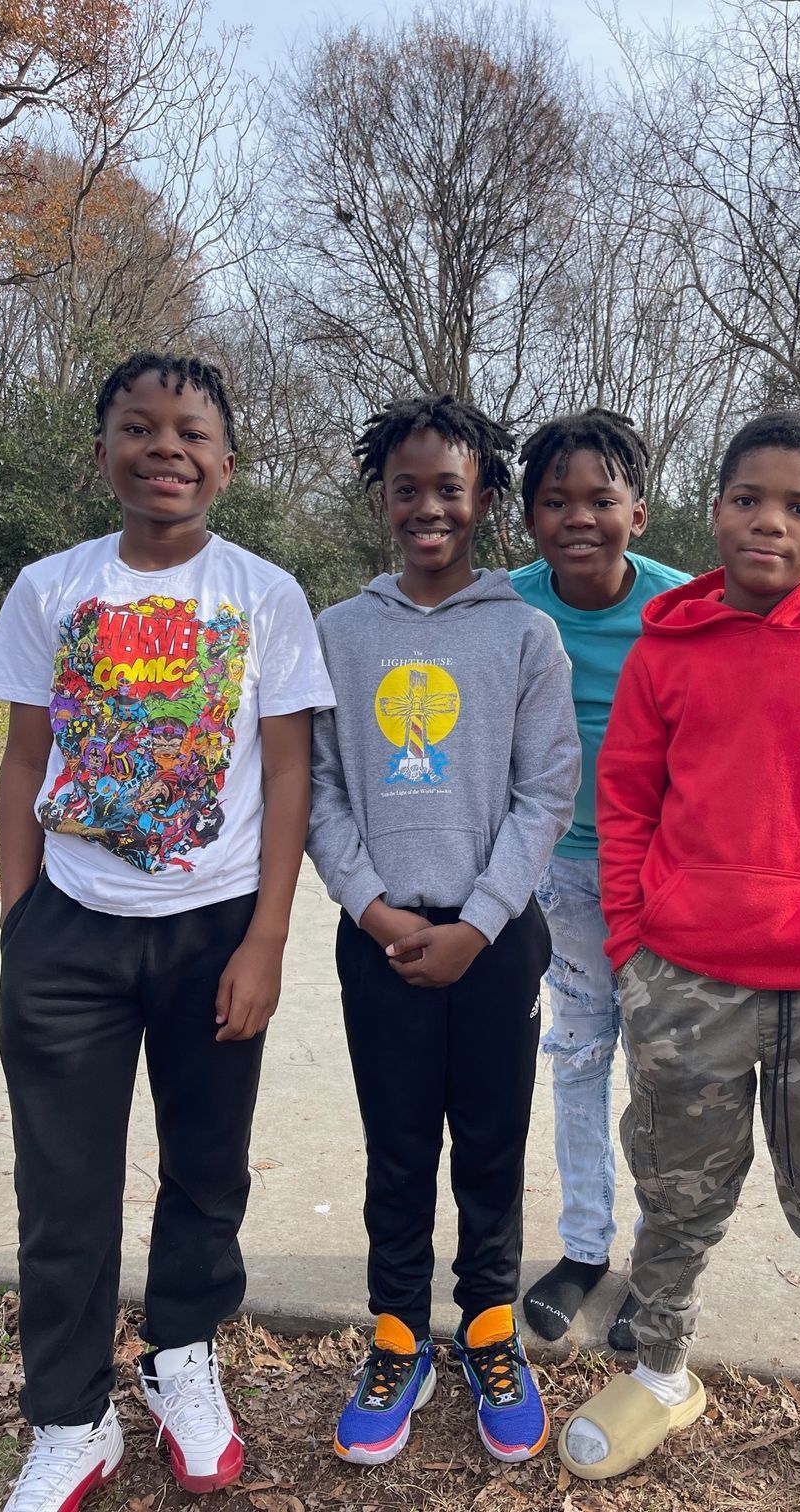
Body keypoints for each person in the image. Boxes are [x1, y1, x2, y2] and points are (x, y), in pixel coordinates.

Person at [559, 412, 800, 1512]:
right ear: (715, 510)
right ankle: (660, 1374)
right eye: (747, 500)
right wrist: (636, 955)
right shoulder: (663, 653)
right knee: (677, 1202)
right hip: (686, 990)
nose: (767, 522)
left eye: (796, 506)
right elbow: (627, 805)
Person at [0, 353, 334, 1512]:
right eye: (139, 428)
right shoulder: (50, 588)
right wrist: (25, 919)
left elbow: (289, 774)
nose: (165, 447)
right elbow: (27, 758)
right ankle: (71, 1419)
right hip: (69, 934)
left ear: (226, 463)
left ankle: (183, 1354)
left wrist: (267, 938)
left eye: (191, 432)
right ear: (102, 455)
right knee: (62, 1186)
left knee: (206, 1168)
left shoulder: (263, 596)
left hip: (212, 931)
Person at [306, 394, 580, 1468]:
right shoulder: (340, 632)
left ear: (485, 503)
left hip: (494, 940)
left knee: (493, 1144)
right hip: (378, 936)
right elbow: (321, 790)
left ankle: (488, 1326)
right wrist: (371, 905)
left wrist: (476, 921)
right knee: (398, 1141)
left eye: (449, 490)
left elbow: (546, 791)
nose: (427, 508)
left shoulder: (525, 633)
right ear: (382, 498)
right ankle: (395, 1333)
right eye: (406, 488)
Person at [509, 409, 690, 1350]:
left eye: (601, 498)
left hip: (664, 880)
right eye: (555, 500)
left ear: (640, 513)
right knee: (578, 1060)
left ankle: (660, 1277)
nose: (579, 516)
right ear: (530, 517)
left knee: (667, 1077)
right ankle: (584, 1248)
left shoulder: (684, 609)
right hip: (555, 880)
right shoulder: (503, 605)